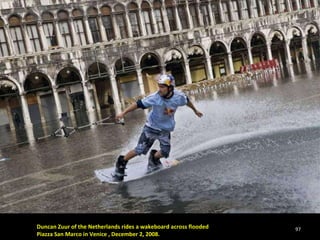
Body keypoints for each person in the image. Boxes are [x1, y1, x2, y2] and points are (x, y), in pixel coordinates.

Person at [112, 73, 203, 181]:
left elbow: (187, 101)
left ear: (170, 88)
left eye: (163, 87)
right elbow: (138, 104)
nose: (160, 89)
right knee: (140, 149)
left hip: (165, 130)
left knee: (165, 153)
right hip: (151, 127)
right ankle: (122, 162)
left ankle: (154, 158)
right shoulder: (155, 97)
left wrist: (195, 110)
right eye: (159, 86)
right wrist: (123, 113)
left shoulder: (179, 97)